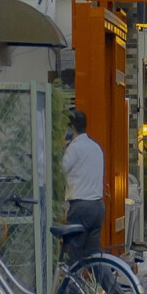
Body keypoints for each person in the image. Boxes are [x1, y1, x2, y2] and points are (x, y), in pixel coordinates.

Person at [61, 109, 106, 260]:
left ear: (72, 128)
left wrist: (62, 146)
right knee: (93, 257)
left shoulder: (74, 148)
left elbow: (61, 170)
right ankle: (112, 285)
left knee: (73, 255)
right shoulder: (96, 147)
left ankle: (72, 283)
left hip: (81, 207)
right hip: (97, 206)